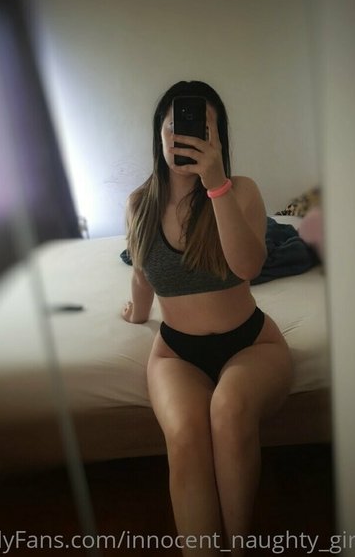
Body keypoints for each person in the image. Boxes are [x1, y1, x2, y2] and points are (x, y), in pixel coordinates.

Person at [122, 81, 293, 556]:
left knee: (229, 409)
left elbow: (248, 266)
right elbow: (141, 273)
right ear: (159, 134)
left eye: (201, 128)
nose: (184, 136)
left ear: (218, 138)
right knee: (183, 434)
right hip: (176, 354)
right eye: (173, 126)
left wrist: (215, 184)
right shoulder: (139, 203)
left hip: (251, 345)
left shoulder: (241, 191)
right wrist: (136, 314)